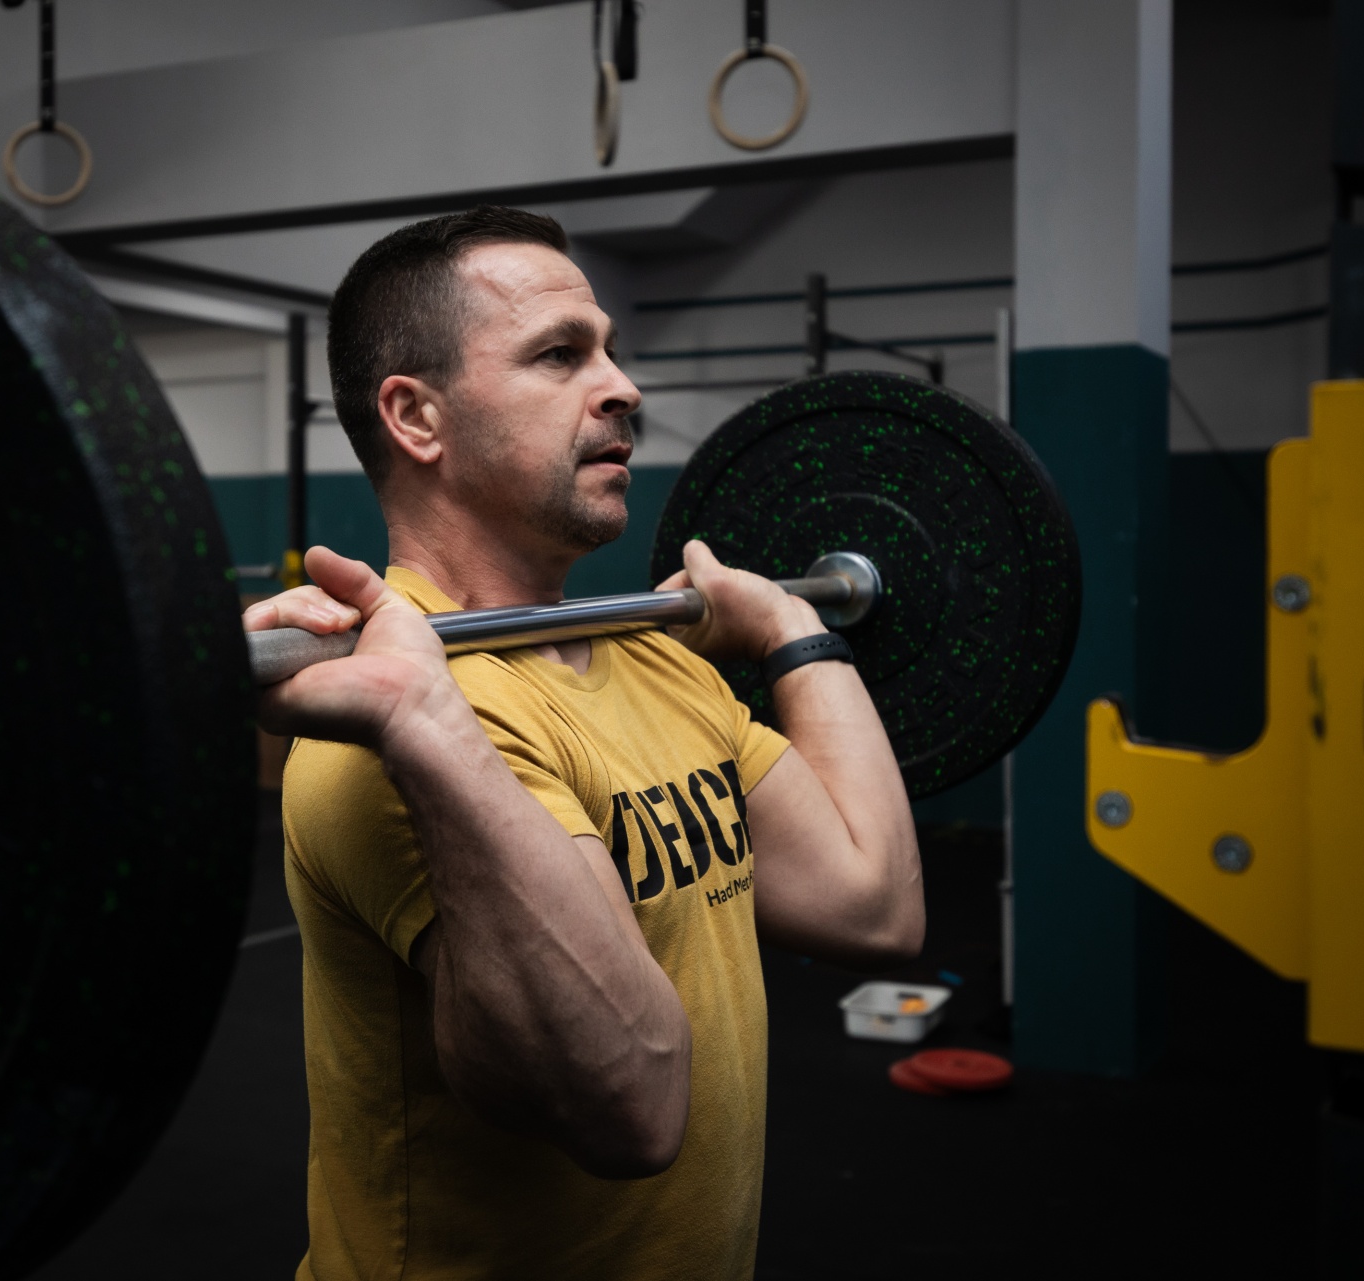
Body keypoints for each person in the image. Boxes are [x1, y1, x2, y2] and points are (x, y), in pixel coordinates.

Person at [243, 206, 923, 1281]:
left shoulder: (656, 659)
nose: (623, 388)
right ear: (416, 416)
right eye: (560, 355)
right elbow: (632, 1101)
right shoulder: (389, 729)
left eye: (608, 349)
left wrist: (795, 632)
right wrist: (423, 724)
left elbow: (874, 905)